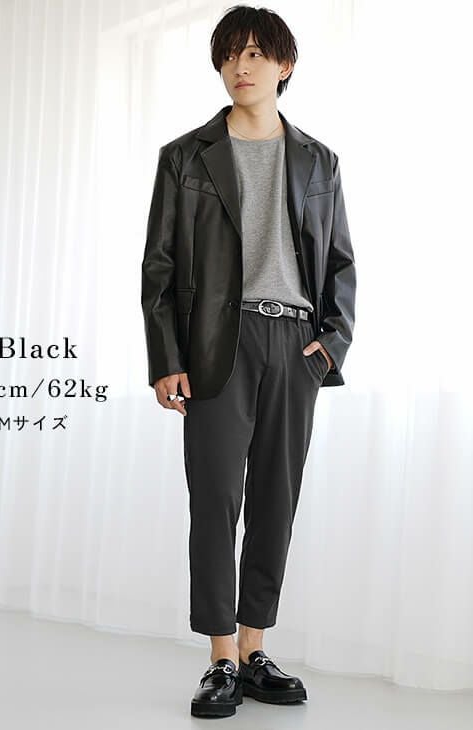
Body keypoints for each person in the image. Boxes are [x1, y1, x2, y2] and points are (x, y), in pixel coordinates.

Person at [140, 4, 356, 719]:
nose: (243, 65)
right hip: (215, 347)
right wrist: (166, 358)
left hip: (294, 347)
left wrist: (330, 345)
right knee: (215, 501)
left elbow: (341, 263)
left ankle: (257, 649)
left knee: (274, 502)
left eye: (258, 53)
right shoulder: (185, 157)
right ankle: (220, 658)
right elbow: (160, 266)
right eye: (232, 53)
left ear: (284, 65)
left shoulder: (319, 161)